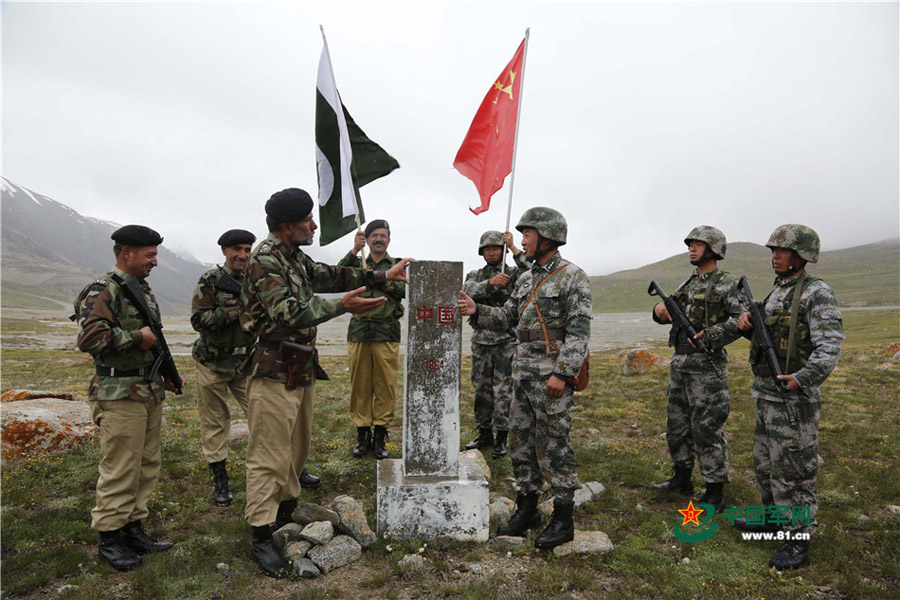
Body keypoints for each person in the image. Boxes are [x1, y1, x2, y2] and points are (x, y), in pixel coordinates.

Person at [240, 188, 409, 577]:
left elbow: (331, 274)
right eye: (307, 221)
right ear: (287, 227)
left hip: (298, 366)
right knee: (268, 452)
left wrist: (380, 275)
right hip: (271, 369)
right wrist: (340, 306)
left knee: (297, 446)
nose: (314, 225)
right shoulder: (265, 261)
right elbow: (288, 310)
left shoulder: (294, 257)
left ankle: (285, 508)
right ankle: (261, 535)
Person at [457, 207, 591, 550]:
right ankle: (527, 507)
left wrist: (563, 372)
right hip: (522, 375)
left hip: (551, 377)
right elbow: (508, 316)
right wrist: (477, 309)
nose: (521, 241)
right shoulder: (527, 278)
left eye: (527, 234)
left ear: (547, 237)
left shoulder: (572, 276)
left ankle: (563, 518)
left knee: (553, 443)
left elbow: (578, 333)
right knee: (520, 442)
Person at [73, 225, 181, 571]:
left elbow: (155, 340)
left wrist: (166, 374)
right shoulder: (103, 290)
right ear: (126, 253)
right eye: (149, 255)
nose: (155, 261)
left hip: (146, 391)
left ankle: (133, 527)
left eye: (155, 254)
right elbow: (90, 339)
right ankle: (110, 537)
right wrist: (136, 337)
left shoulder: (142, 290)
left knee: (147, 465)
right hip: (118, 394)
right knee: (120, 467)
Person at [735, 224, 843, 570]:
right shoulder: (776, 292)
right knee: (765, 464)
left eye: (782, 251)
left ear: (802, 256)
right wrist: (746, 325)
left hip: (795, 399)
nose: (775, 257)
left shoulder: (816, 293)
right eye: (773, 251)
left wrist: (802, 379)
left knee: (794, 470)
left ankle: (798, 539)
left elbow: (830, 346)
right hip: (767, 394)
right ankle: (772, 519)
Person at [650, 226, 746, 511]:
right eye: (690, 244)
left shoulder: (726, 283)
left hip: (707, 367)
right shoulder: (689, 283)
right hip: (680, 364)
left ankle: (714, 490)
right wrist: (658, 311)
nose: (691, 248)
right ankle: (681, 478)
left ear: (713, 249)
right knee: (677, 425)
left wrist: (713, 335)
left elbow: (742, 319)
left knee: (707, 429)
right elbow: (668, 312)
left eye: (698, 244)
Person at [190, 229, 258, 506]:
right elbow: (199, 320)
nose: (242, 255)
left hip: (246, 363)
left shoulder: (257, 280)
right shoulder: (210, 281)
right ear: (224, 252)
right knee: (215, 422)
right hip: (212, 362)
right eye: (237, 249)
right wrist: (237, 310)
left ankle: (286, 468)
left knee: (265, 417)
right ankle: (220, 479)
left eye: (247, 249)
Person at [337, 220, 405, 460]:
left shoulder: (398, 265)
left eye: (383, 235)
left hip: (386, 332)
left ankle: (380, 435)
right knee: (360, 385)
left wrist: (374, 278)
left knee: (385, 386)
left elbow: (403, 290)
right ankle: (362, 433)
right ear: (367, 238)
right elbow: (338, 276)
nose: (379, 239)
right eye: (374, 235)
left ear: (389, 239)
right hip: (359, 331)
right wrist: (354, 250)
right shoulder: (358, 262)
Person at [462, 230, 527, 458]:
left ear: (503, 250)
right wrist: (490, 284)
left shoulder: (515, 273)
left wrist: (516, 249)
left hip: (506, 341)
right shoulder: (475, 274)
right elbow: (465, 291)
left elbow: (533, 271)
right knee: (482, 389)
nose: (491, 252)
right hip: (481, 341)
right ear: (481, 252)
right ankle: (484, 433)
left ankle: (502, 436)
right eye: (487, 249)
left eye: (496, 248)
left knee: (504, 391)